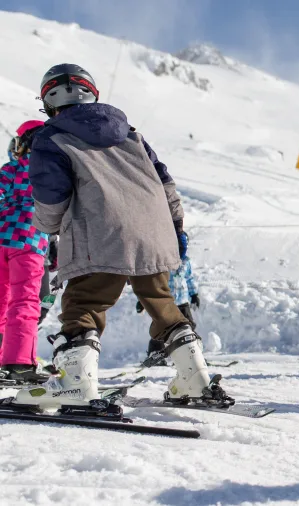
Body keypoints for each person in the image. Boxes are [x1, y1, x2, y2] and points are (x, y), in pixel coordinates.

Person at [15, 63, 229, 408]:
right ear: (92, 94)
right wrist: (175, 232)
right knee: (161, 301)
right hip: (154, 232)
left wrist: (49, 229)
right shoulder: (132, 135)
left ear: (49, 103)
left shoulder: (49, 137)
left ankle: (73, 384)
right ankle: (195, 378)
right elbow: (167, 187)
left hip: (97, 232)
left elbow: (52, 197)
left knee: (84, 302)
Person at [0, 120, 51, 383]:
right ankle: (18, 363)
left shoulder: (9, 170)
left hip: (1, 240)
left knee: (1, 300)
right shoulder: (49, 174)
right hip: (30, 243)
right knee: (24, 301)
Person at [138, 233, 200, 364]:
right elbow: (154, 282)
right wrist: (142, 301)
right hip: (167, 301)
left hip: (183, 301)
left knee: (188, 327)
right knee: (162, 326)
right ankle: (155, 354)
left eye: (184, 246)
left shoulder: (186, 262)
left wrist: (194, 294)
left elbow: (189, 279)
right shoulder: (164, 260)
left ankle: (194, 355)